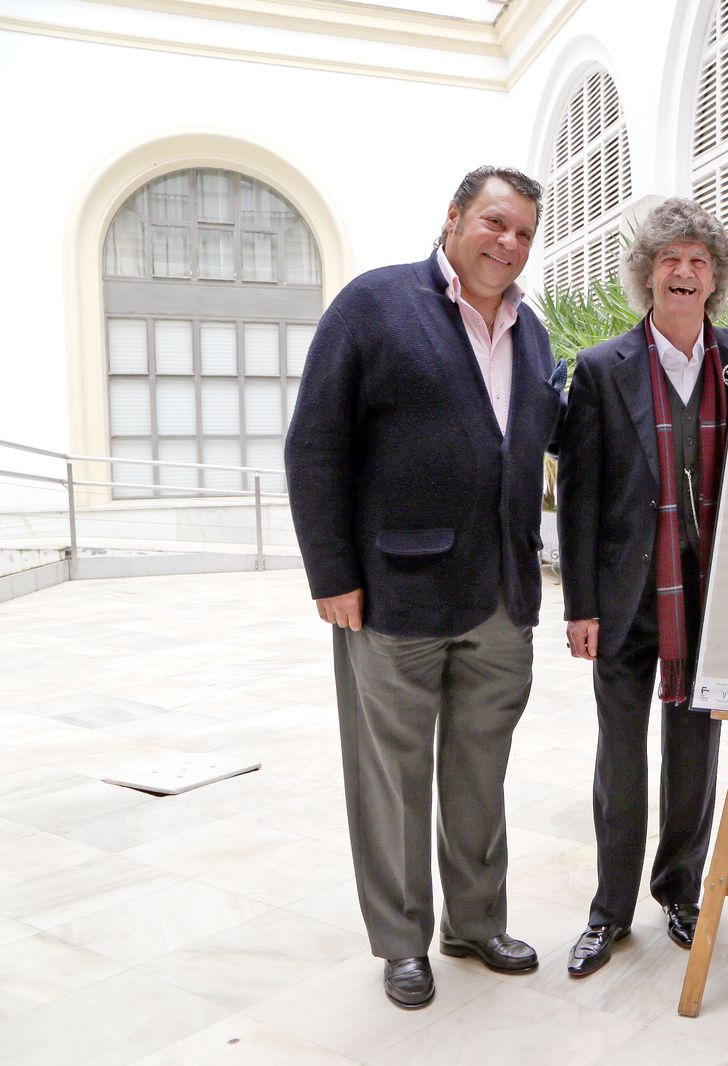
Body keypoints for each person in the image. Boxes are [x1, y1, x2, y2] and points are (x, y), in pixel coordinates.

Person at [284, 166, 563, 1009]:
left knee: (482, 773)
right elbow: (315, 446)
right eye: (494, 222)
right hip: (396, 594)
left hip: (501, 598)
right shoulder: (376, 305)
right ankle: (402, 942)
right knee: (393, 777)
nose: (507, 243)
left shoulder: (534, 332)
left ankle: (475, 923)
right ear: (453, 220)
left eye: (523, 232)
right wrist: (332, 574)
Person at [556, 198, 728, 977]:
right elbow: (580, 499)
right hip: (628, 601)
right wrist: (580, 605)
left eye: (699, 260)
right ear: (648, 275)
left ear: (716, 278)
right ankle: (608, 912)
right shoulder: (601, 369)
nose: (684, 271)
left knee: (694, 757)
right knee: (620, 762)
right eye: (670, 259)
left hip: (716, 600)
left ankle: (683, 892)